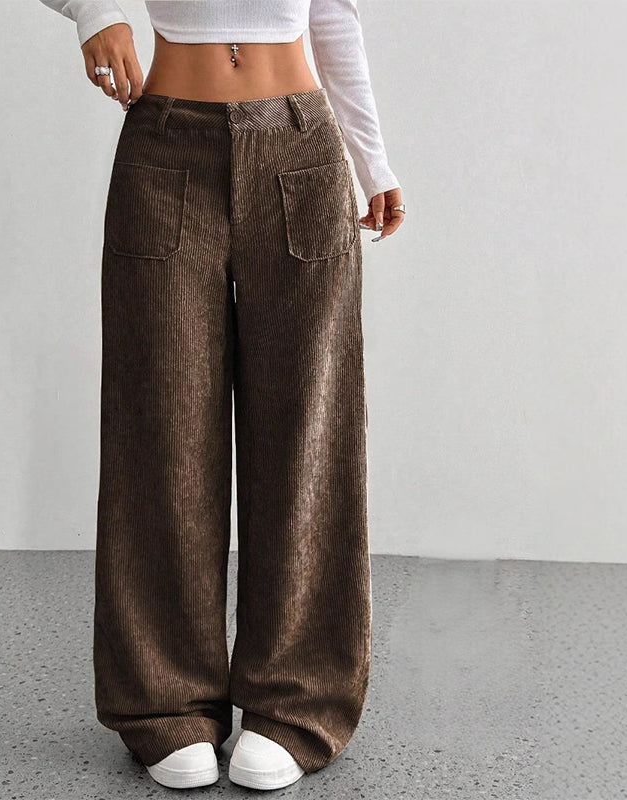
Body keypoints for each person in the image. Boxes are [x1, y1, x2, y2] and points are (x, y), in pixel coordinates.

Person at [38, 0, 406, 790]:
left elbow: (333, 15)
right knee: (160, 429)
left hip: (302, 151)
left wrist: (373, 160)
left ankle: (293, 703)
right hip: (168, 146)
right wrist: (93, 11)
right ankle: (166, 703)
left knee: (308, 432)